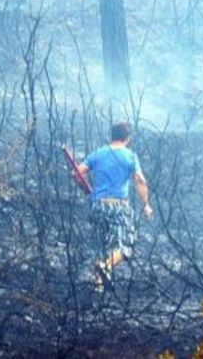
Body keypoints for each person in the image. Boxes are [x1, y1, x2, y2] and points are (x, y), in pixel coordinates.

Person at [77, 121, 152, 287]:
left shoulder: (98, 153)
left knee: (100, 244)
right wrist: (145, 204)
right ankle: (106, 266)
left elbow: (77, 172)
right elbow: (140, 180)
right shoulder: (130, 156)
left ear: (112, 135)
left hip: (98, 204)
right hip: (118, 205)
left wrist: (86, 189)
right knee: (125, 244)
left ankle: (98, 284)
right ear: (128, 138)